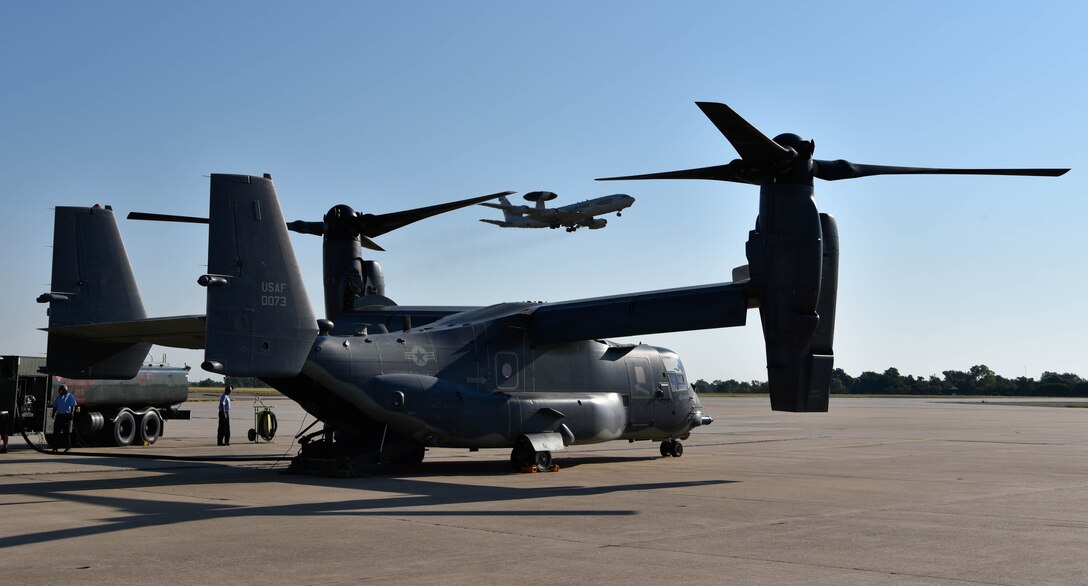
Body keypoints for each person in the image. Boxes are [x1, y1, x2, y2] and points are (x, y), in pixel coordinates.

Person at [53, 384, 78, 453]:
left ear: (65, 390)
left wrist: (72, 414)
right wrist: (53, 413)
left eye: (61, 391)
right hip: (59, 416)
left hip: (66, 416)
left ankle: (68, 447)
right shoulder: (58, 397)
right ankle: (55, 447)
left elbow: (73, 406)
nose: (60, 392)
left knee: (66, 433)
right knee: (56, 432)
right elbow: (55, 406)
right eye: (60, 391)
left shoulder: (70, 396)